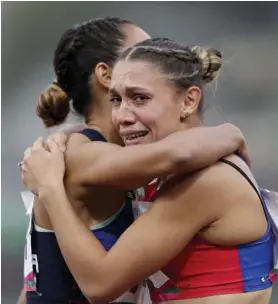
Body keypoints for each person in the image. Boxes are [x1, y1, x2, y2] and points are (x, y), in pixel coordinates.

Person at [22, 38, 274, 304]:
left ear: (189, 101)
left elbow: (99, 284)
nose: (122, 116)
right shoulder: (163, 172)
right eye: (116, 100)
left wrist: (50, 189)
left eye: (140, 98)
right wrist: (71, 134)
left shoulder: (206, 180)